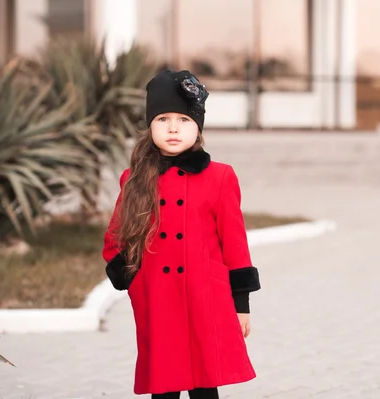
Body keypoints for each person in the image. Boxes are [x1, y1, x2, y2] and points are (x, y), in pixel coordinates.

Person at [102, 69, 261, 399]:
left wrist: (240, 303)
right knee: (164, 383)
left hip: (206, 299)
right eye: (163, 119)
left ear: (198, 128)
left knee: (205, 383)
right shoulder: (133, 179)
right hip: (157, 299)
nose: (173, 128)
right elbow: (116, 237)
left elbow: (235, 243)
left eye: (184, 120)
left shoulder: (220, 177)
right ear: (150, 126)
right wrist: (133, 279)